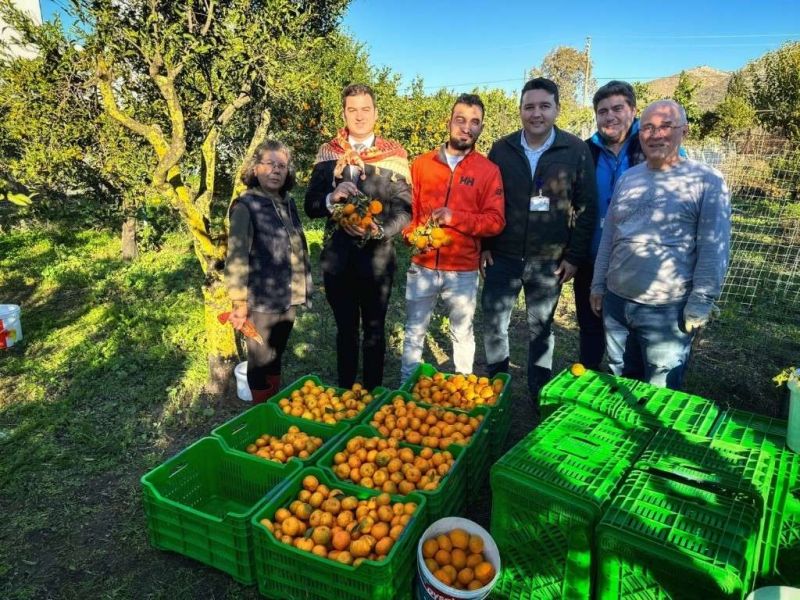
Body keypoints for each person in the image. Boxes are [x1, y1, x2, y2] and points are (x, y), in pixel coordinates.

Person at [590, 100, 731, 390]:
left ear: (685, 131)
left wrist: (700, 303)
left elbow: (714, 248)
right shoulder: (629, 178)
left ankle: (653, 435)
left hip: (666, 309)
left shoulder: (706, 181)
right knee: (621, 376)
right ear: (639, 134)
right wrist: (598, 285)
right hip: (616, 302)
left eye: (666, 126)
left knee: (660, 386)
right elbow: (610, 236)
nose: (656, 135)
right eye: (648, 128)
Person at [481, 77, 597, 419]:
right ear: (520, 110)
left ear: (557, 109)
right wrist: (485, 245)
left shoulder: (575, 150)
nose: (536, 114)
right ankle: (497, 387)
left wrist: (574, 257)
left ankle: (538, 390)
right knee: (494, 324)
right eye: (529, 106)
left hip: (549, 261)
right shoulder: (501, 150)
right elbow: (487, 200)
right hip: (502, 256)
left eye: (544, 106)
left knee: (541, 328)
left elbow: (586, 207)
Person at [305, 83, 412, 390]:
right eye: (353, 110)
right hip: (338, 260)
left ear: (375, 112)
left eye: (366, 109)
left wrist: (379, 230)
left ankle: (373, 395)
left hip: (378, 260)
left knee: (375, 331)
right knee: (346, 331)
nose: (360, 116)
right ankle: (346, 394)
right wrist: (330, 197)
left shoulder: (394, 155)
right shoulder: (328, 154)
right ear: (344, 113)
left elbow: (405, 210)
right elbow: (311, 204)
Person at [399, 94, 505, 383]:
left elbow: (495, 222)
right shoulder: (421, 164)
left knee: (462, 331)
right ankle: (406, 387)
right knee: (414, 330)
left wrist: (454, 217)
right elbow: (410, 211)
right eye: (461, 120)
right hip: (422, 266)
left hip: (462, 270)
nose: (466, 128)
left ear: (481, 128)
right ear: (449, 122)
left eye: (475, 122)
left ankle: (462, 391)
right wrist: (412, 237)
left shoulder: (488, 171)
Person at [225, 140, 312, 404]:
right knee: (260, 358)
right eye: (270, 164)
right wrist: (238, 302)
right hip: (261, 299)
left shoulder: (287, 203)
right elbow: (237, 256)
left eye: (282, 165)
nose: (276, 170)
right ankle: (260, 411)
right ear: (255, 168)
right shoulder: (246, 206)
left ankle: (271, 404)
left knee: (276, 353)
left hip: (288, 295)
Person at [574, 81, 645, 370]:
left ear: (633, 110)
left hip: (636, 263)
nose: (609, 116)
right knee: (590, 329)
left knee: (633, 338)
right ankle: (588, 383)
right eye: (602, 111)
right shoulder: (586, 152)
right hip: (592, 257)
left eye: (617, 108)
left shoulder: (650, 146)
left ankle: (633, 394)